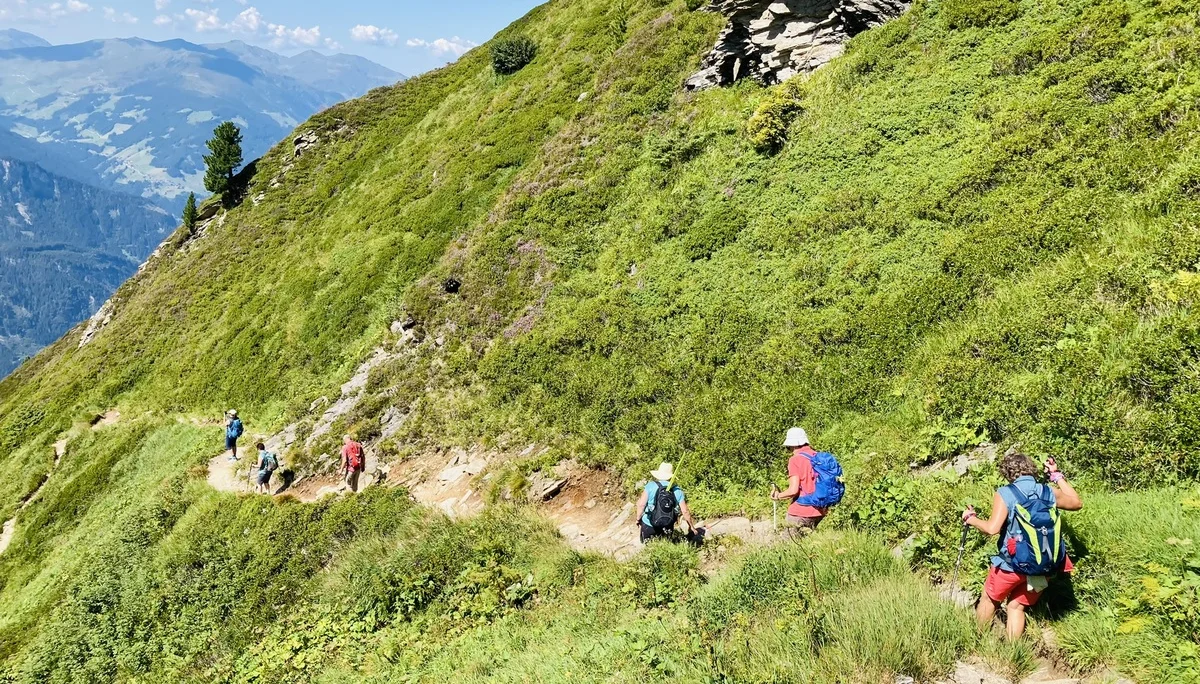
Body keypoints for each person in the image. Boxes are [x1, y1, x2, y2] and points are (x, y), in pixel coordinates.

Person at [963, 452, 1082, 640]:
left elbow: (992, 528)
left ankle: (975, 642)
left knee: (990, 599)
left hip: (1011, 566)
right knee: (1016, 606)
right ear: (1031, 469)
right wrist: (1056, 475)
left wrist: (972, 519)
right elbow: (1076, 503)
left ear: (1007, 473)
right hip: (1044, 566)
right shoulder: (1047, 491)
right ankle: (1014, 656)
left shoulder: (1006, 493)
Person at [770, 427, 828, 531]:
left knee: (787, 545)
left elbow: (793, 490)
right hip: (820, 511)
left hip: (800, 511)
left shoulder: (795, 460)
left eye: (788, 447)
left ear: (793, 444)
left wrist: (778, 496)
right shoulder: (818, 457)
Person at [634, 462, 704, 545]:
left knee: (648, 548)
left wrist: (638, 519)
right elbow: (685, 511)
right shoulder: (677, 490)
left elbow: (641, 505)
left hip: (649, 524)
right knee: (665, 546)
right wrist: (691, 526)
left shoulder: (650, 486)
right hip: (667, 525)